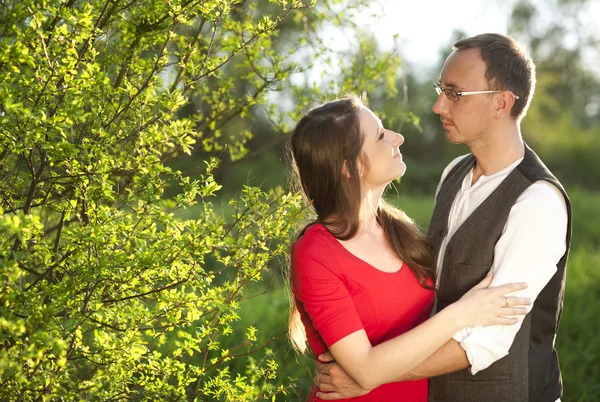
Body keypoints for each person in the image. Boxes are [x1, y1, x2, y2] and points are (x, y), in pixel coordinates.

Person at [312, 34, 572, 402]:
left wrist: (370, 375)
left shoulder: (537, 201)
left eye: (454, 93)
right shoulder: (454, 173)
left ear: (501, 103)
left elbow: (486, 342)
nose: (437, 106)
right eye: (440, 89)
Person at [288, 94, 532, 402]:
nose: (397, 137)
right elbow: (364, 369)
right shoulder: (316, 252)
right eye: (380, 136)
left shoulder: (396, 227)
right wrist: (463, 313)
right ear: (351, 168)